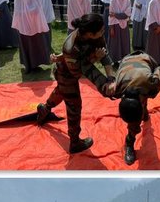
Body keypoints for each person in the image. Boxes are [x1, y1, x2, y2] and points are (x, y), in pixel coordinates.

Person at [35, 13, 117, 155]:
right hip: (66, 74)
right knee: (74, 105)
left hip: (71, 69)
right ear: (90, 34)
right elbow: (83, 69)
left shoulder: (96, 33)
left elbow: (104, 55)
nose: (104, 33)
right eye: (101, 31)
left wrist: (111, 78)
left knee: (61, 92)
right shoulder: (71, 46)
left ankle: (45, 108)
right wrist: (106, 87)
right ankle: (74, 142)